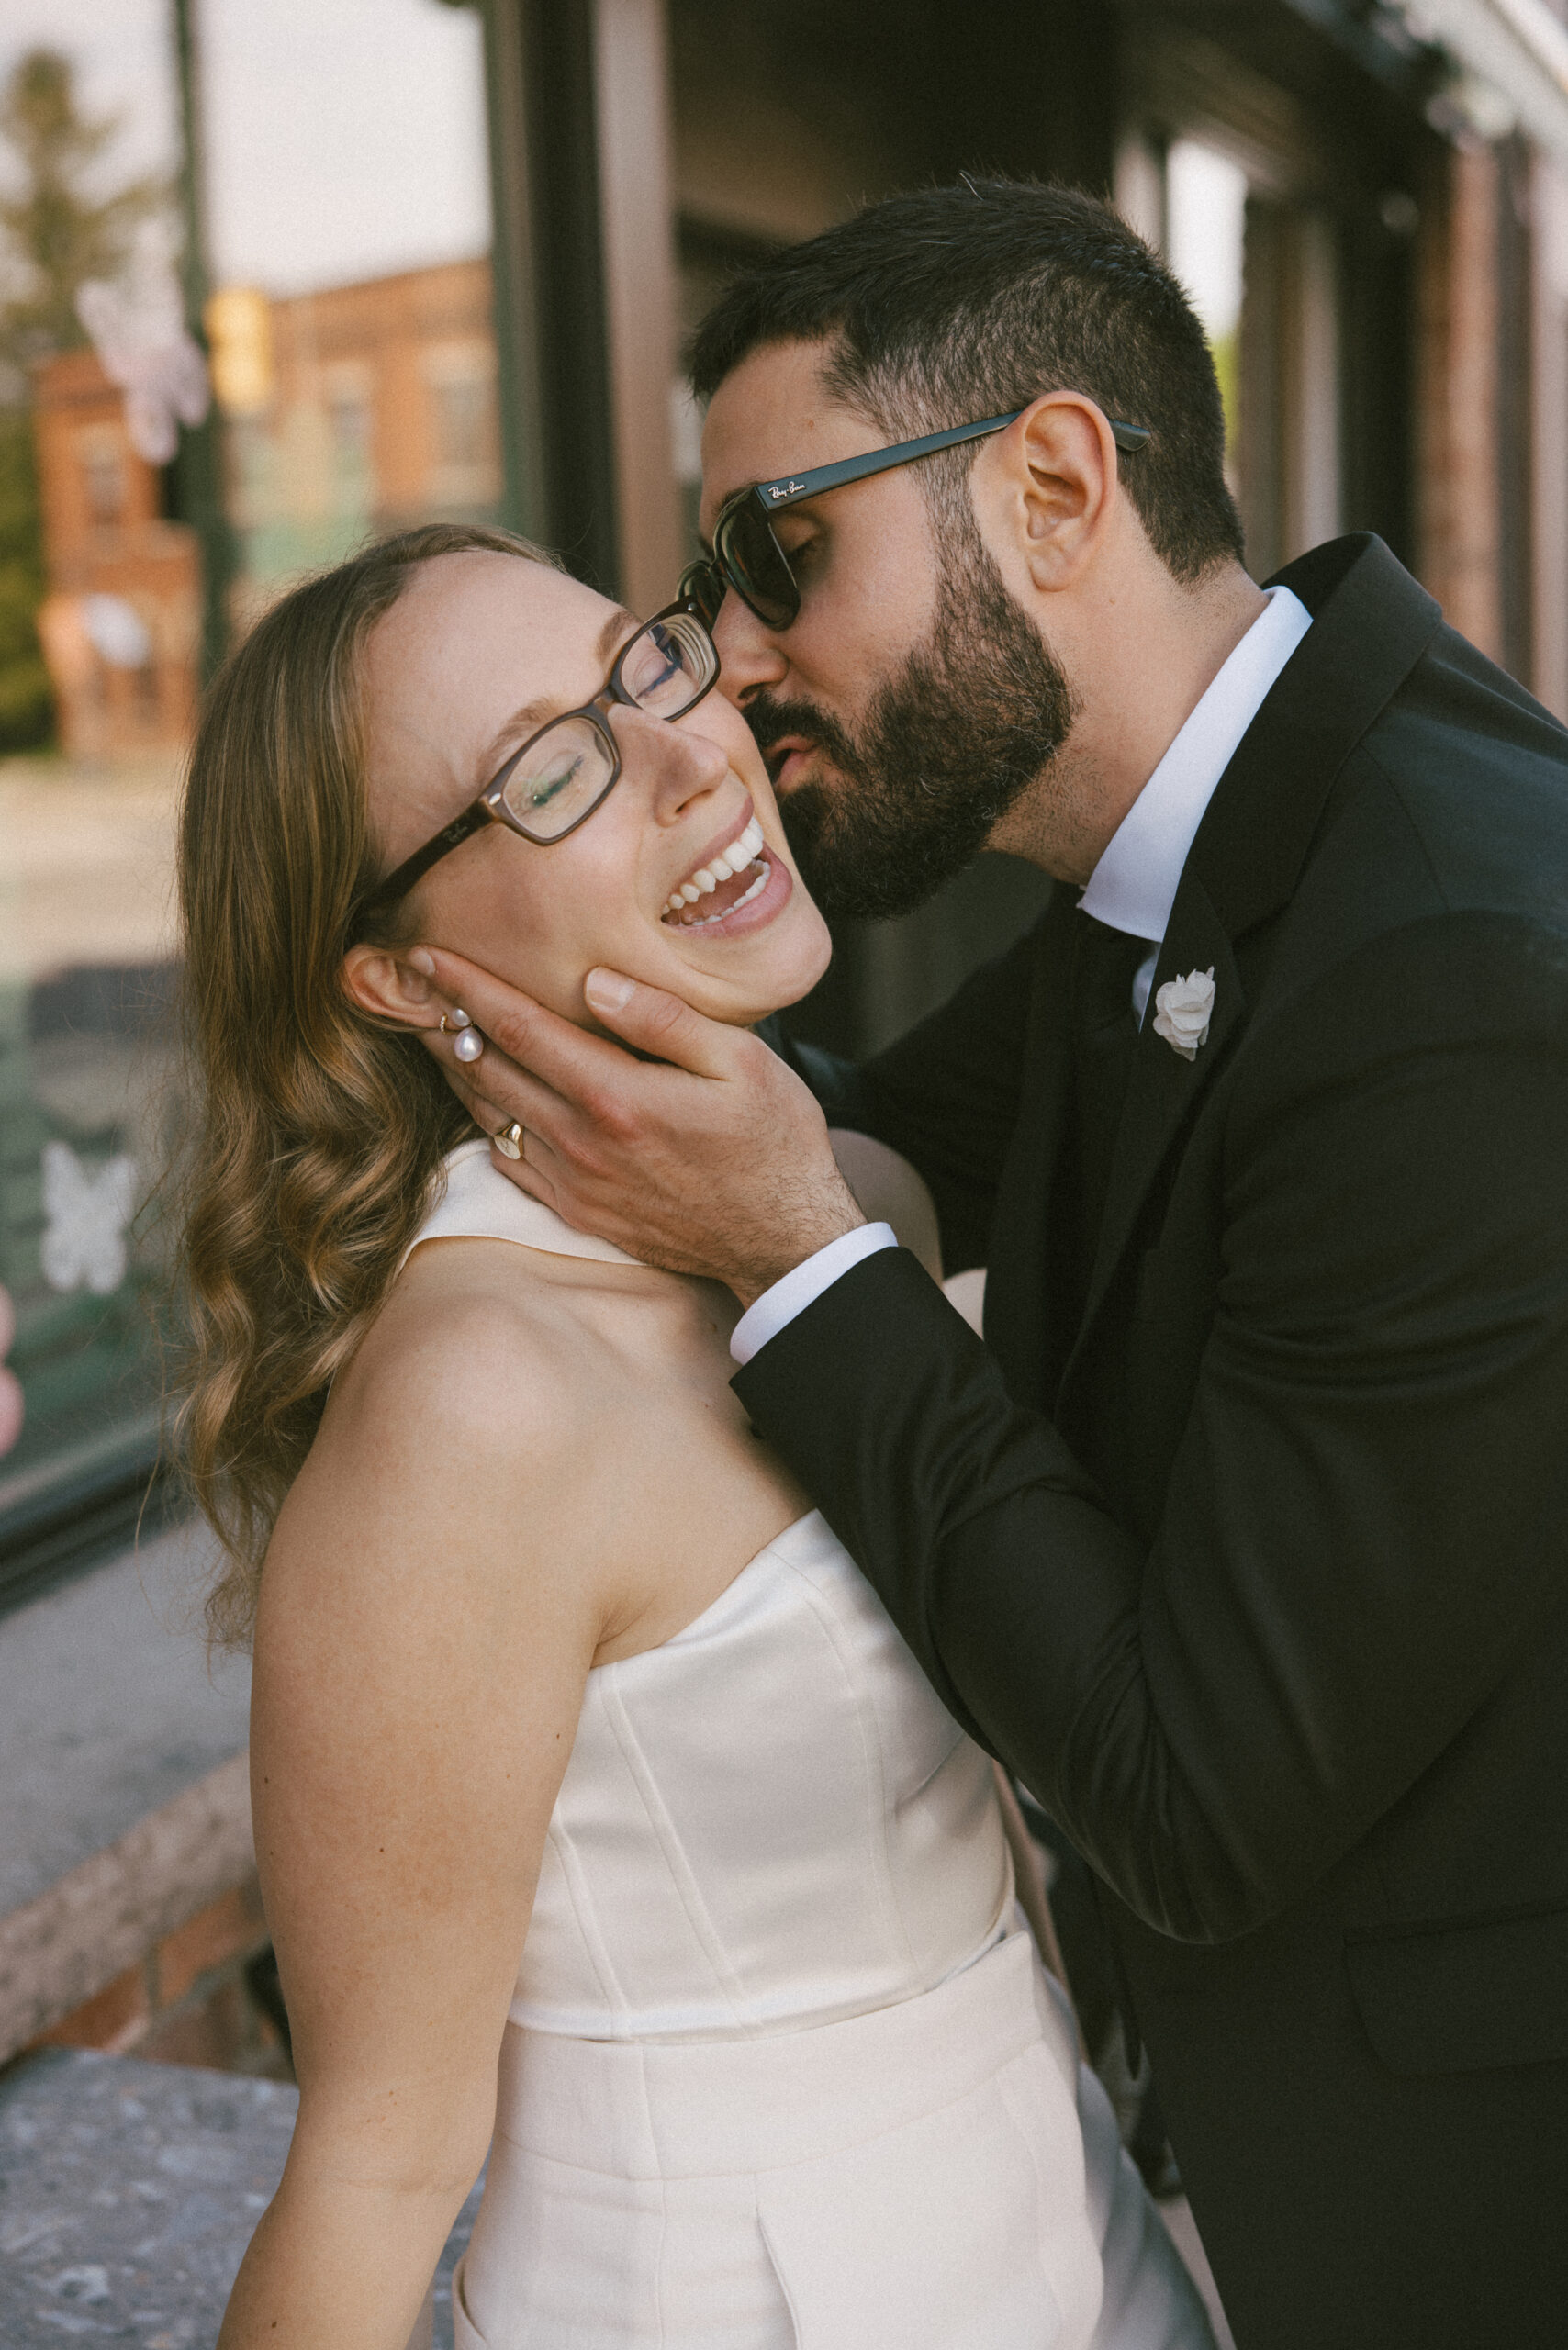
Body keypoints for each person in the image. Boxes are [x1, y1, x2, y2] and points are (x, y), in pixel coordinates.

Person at [415, 183, 1568, 2349]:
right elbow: (840, 1120)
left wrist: (778, 1238)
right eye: (706, 588)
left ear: (1050, 484)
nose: (732, 662)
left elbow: (1185, 1792)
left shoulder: (1448, 974)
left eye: (775, 557)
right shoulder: (1223, 829)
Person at [177, 520, 1210, 2350]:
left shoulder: (847, 1204)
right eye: (546, 769)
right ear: (405, 980)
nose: (687, 753)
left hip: (1073, 2230)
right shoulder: (469, 1404)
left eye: (637, 663)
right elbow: (374, 2167)